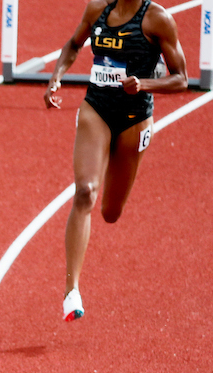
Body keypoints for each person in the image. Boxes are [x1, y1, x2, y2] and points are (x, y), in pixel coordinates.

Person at [45, 0, 187, 321]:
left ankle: (111, 157)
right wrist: (57, 76)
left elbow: (181, 78)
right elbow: (72, 44)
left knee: (110, 212)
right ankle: (72, 291)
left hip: (135, 118)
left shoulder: (158, 19)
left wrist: (145, 83)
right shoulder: (97, 9)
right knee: (85, 192)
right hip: (96, 107)